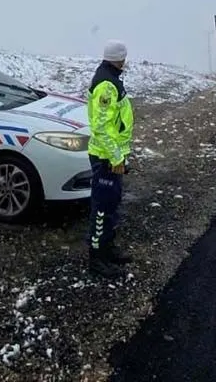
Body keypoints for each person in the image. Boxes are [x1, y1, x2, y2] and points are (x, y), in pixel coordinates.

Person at [86, 39, 134, 278]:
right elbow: (102, 127)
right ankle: (97, 258)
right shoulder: (107, 84)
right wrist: (116, 158)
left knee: (112, 206)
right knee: (102, 209)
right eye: (124, 56)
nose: (126, 60)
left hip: (113, 156)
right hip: (106, 158)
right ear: (119, 58)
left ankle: (108, 248)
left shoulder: (111, 77)